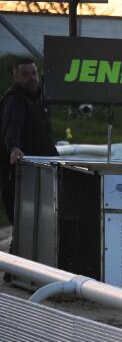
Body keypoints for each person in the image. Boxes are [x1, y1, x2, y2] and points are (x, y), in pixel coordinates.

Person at [0, 58, 58, 225]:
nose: (31, 78)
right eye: (25, 74)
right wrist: (14, 147)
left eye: (33, 73)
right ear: (15, 77)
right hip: (20, 173)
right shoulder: (14, 99)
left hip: (41, 170)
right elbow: (12, 125)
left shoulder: (40, 99)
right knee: (22, 224)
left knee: (40, 223)